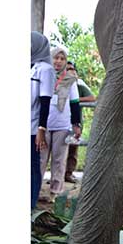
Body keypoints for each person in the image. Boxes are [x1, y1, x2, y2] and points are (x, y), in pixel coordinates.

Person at [40, 46, 82, 202]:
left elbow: (75, 103)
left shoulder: (70, 80)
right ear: (50, 59)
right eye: (56, 58)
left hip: (62, 126)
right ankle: (35, 190)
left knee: (59, 160)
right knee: (41, 160)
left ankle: (55, 192)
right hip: (43, 125)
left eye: (62, 58)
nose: (58, 61)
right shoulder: (43, 76)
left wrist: (76, 125)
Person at [30, 31, 55, 209]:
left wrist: (41, 129)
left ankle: (31, 203)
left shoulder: (45, 69)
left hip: (32, 126)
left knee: (32, 166)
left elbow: (45, 101)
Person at [64, 63, 96, 183]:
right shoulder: (57, 82)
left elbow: (92, 98)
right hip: (59, 122)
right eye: (67, 69)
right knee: (59, 150)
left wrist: (75, 99)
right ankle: (57, 175)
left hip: (75, 122)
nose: (70, 71)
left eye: (72, 69)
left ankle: (69, 173)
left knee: (73, 148)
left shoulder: (79, 84)